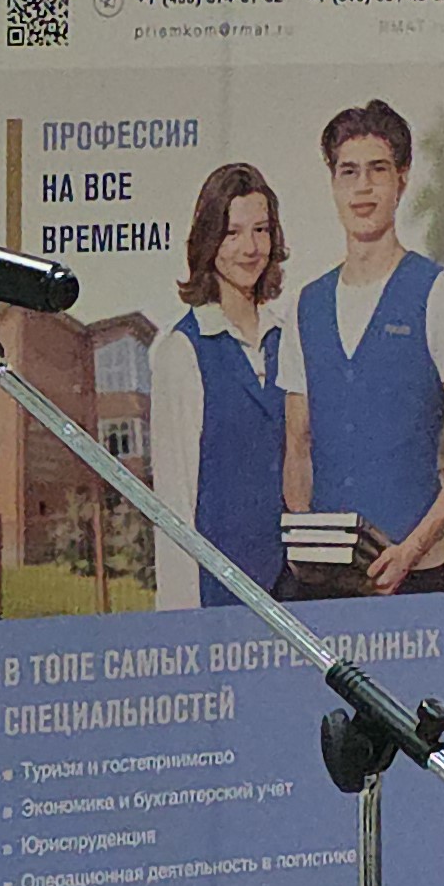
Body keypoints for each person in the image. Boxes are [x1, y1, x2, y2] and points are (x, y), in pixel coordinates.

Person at [289, 101, 444, 597]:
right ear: (333, 183)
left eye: (377, 170)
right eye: (349, 172)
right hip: (324, 576)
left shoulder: (436, 292)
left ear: (402, 178)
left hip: (414, 571)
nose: (363, 187)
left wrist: (413, 549)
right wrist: (304, 545)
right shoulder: (307, 305)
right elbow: (298, 443)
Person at [151, 162, 309, 608]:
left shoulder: (289, 339)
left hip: (295, 592)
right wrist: (181, 622)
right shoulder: (182, 351)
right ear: (208, 241)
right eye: (232, 233)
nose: (250, 248)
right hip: (217, 597)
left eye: (261, 230)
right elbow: (174, 503)